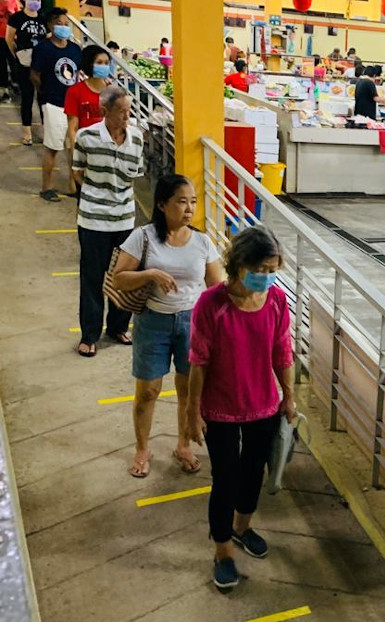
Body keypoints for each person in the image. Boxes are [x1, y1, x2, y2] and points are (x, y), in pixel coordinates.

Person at [186, 225, 295, 591]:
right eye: (259, 269)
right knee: (225, 479)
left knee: (253, 475)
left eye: (272, 269)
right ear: (239, 265)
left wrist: (289, 396)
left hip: (264, 406)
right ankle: (222, 550)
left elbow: (283, 353)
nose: (266, 277)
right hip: (220, 410)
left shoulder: (278, 302)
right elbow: (198, 360)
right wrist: (192, 412)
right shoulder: (211, 304)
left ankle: (242, 527)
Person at [113, 175, 224, 478]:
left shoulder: (202, 241)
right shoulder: (143, 236)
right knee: (148, 390)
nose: (189, 209)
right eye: (181, 201)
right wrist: (150, 274)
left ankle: (183, 445)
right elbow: (119, 277)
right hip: (152, 322)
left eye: (193, 202)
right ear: (162, 205)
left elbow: (218, 287)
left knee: (188, 390)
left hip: (192, 323)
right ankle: (141, 448)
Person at [72, 85, 144, 357]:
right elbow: (78, 173)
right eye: (121, 112)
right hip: (93, 221)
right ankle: (89, 335)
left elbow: (135, 175)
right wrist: (97, 197)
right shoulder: (86, 137)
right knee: (92, 278)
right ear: (105, 112)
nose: (127, 117)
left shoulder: (136, 139)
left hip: (125, 220)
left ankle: (117, 327)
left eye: (129, 111)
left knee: (122, 276)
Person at [31, 6, 81, 201]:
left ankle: (74, 186)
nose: (64, 27)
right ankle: (46, 187)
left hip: (73, 105)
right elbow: (34, 75)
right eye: (59, 24)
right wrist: (46, 92)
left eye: (66, 24)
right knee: (53, 146)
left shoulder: (74, 49)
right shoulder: (43, 49)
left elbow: (77, 75)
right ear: (51, 26)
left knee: (74, 148)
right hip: (53, 103)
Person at [7, 0, 47, 145]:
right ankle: (27, 133)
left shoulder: (43, 19)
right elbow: (9, 39)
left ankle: (46, 132)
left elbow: (48, 38)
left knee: (43, 99)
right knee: (27, 98)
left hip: (41, 64)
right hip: (24, 63)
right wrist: (17, 55)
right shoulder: (17, 17)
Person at [65, 44, 110, 154]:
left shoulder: (112, 91)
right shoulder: (75, 91)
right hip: (85, 147)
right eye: (99, 63)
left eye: (106, 63)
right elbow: (73, 127)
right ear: (89, 65)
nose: (104, 66)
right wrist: (75, 156)